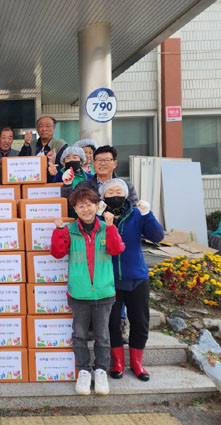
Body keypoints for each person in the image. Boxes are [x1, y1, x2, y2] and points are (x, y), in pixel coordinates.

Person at [50, 188, 125, 396]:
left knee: (102, 336)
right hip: (79, 293)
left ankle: (100, 371)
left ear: (96, 206)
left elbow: (117, 249)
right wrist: (58, 230)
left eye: (89, 205)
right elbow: (57, 253)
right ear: (74, 209)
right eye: (80, 206)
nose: (86, 209)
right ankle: (83, 371)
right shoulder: (69, 231)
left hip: (104, 293)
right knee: (80, 335)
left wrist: (111, 227)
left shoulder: (106, 228)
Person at [99, 179, 164, 382]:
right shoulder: (99, 216)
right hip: (109, 279)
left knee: (140, 322)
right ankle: (117, 363)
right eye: (110, 192)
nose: (115, 195)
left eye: (118, 191)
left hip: (137, 277)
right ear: (103, 196)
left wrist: (147, 214)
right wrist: (99, 217)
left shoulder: (136, 214)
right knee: (112, 323)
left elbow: (157, 236)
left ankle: (137, 363)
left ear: (126, 194)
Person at [65, 145, 138, 206]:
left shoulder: (126, 185)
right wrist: (67, 185)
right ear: (93, 163)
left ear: (115, 163)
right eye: (99, 160)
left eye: (107, 160)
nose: (103, 163)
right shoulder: (83, 186)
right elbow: (70, 205)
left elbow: (133, 209)